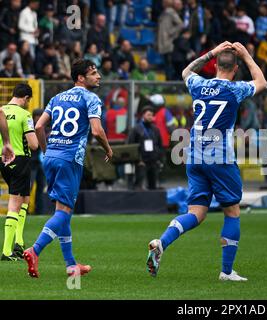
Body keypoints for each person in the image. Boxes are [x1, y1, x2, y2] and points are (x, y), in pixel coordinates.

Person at [146, 41, 267, 281]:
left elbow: (186, 71)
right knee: (232, 212)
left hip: (194, 156)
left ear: (214, 66)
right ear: (234, 69)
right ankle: (226, 271)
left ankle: (162, 242)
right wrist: (246, 55)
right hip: (220, 158)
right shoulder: (235, 89)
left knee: (196, 213)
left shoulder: (199, 84)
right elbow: (262, 82)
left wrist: (210, 53)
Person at [23, 59, 113, 278]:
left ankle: (71, 265)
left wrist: (46, 152)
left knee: (62, 212)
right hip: (70, 159)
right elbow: (97, 131)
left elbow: (38, 126)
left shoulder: (56, 97)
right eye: (93, 73)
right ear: (81, 78)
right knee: (64, 213)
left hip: (51, 157)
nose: (98, 76)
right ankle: (35, 250)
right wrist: (109, 150)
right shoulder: (91, 98)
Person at [1, 84, 38, 261]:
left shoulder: (1, 110)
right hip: (20, 159)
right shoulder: (25, 115)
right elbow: (33, 144)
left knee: (24, 198)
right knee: (15, 202)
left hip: (2, 158)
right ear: (26, 98)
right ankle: (7, 251)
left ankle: (19, 242)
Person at [127, 107, 163, 190]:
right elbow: (131, 145)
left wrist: (159, 158)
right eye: (148, 115)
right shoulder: (136, 129)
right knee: (139, 185)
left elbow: (159, 145)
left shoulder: (155, 129)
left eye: (152, 115)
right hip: (141, 161)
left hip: (153, 160)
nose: (150, 117)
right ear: (143, 115)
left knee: (153, 185)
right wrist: (138, 160)